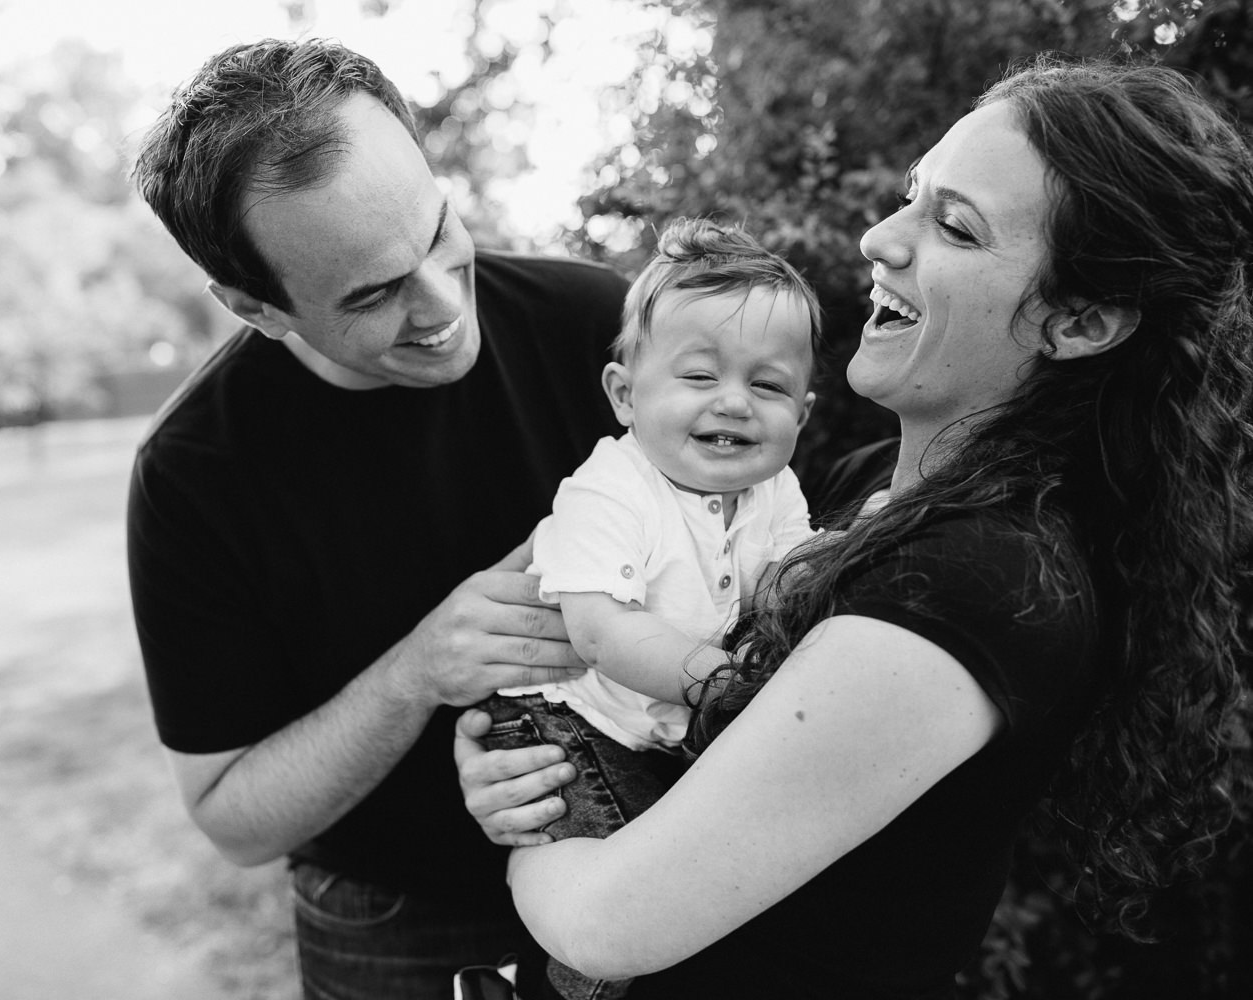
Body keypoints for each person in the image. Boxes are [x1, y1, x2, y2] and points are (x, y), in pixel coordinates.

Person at [455, 55, 1253, 998]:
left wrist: (533, 832)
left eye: (954, 225)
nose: (879, 237)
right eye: (911, 197)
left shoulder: (984, 584)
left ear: (1078, 323)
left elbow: (604, 923)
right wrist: (540, 760)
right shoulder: (869, 490)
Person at [126, 39, 629, 1000]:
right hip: (396, 919)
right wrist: (419, 671)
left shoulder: (595, 323)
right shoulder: (193, 476)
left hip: (641, 852)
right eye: (372, 294)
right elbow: (233, 818)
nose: (442, 307)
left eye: (439, 232)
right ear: (256, 307)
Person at [475, 217, 819, 999]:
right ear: (626, 395)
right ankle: (536, 988)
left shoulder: (776, 491)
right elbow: (601, 631)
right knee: (621, 908)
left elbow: (793, 580)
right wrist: (719, 682)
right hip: (570, 722)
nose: (734, 403)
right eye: (700, 377)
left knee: (689, 896)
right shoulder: (609, 489)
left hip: (663, 725)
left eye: (767, 386)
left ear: (801, 414)